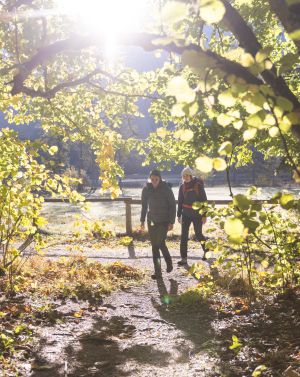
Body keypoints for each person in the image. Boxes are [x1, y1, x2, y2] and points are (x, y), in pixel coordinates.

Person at [140, 169, 176, 279]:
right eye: (152, 179)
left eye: (156, 179)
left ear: (160, 179)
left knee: (160, 243)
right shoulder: (146, 189)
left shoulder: (166, 189)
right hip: (151, 221)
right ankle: (158, 272)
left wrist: (171, 221)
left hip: (163, 221)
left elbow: (172, 205)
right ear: (150, 179)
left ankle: (169, 262)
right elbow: (144, 206)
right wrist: (142, 220)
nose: (154, 181)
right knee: (154, 246)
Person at [177, 167, 208, 265]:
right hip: (185, 214)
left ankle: (206, 252)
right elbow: (180, 202)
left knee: (198, 234)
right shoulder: (182, 187)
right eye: (184, 175)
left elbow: (204, 200)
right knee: (184, 236)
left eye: (187, 175)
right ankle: (184, 258)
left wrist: (204, 215)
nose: (185, 177)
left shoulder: (198, 185)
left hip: (197, 214)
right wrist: (178, 215)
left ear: (190, 175)